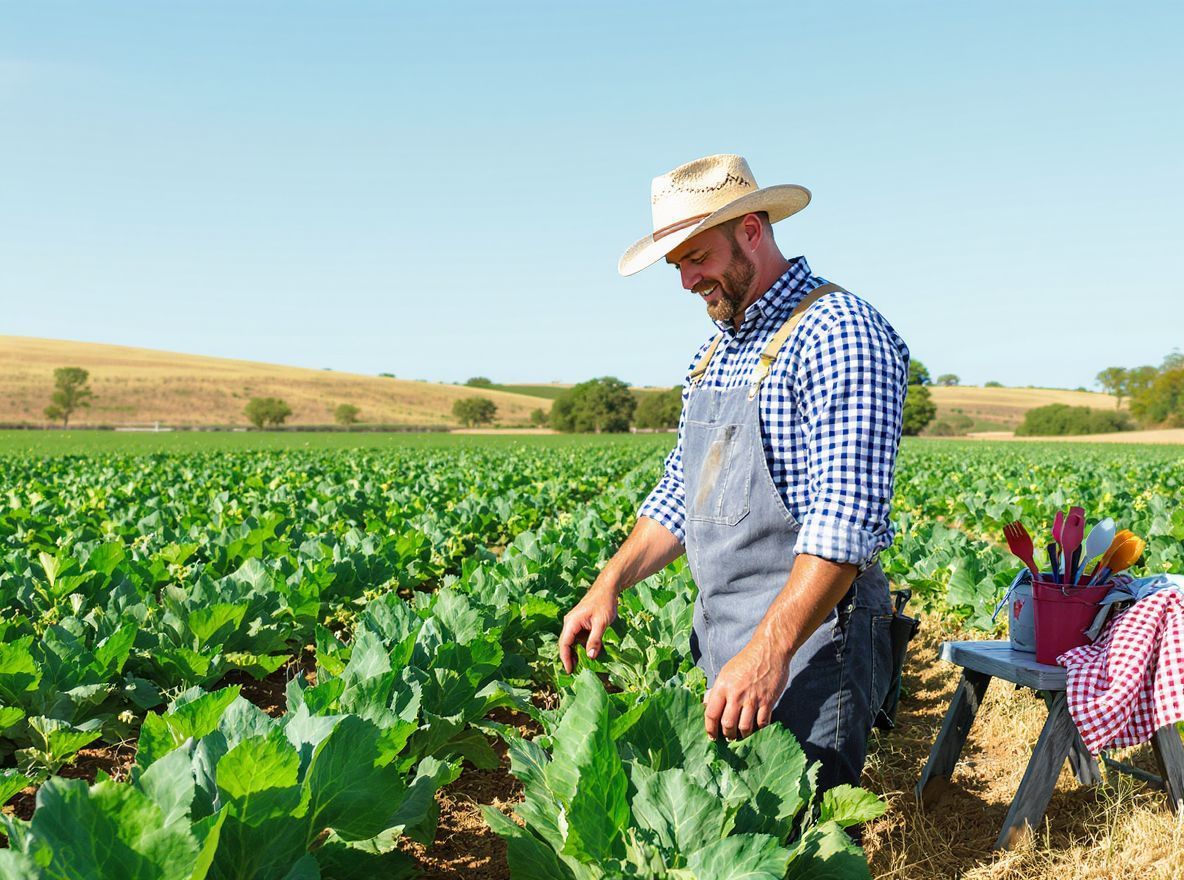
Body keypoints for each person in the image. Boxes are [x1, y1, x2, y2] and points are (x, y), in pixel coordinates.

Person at [558, 154, 910, 791]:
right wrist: (610, 580)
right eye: (678, 265)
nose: (688, 280)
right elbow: (681, 493)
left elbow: (845, 525)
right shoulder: (719, 348)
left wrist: (769, 651)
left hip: (810, 642)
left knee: (796, 836)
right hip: (728, 636)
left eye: (698, 257)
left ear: (752, 229)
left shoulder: (838, 333)